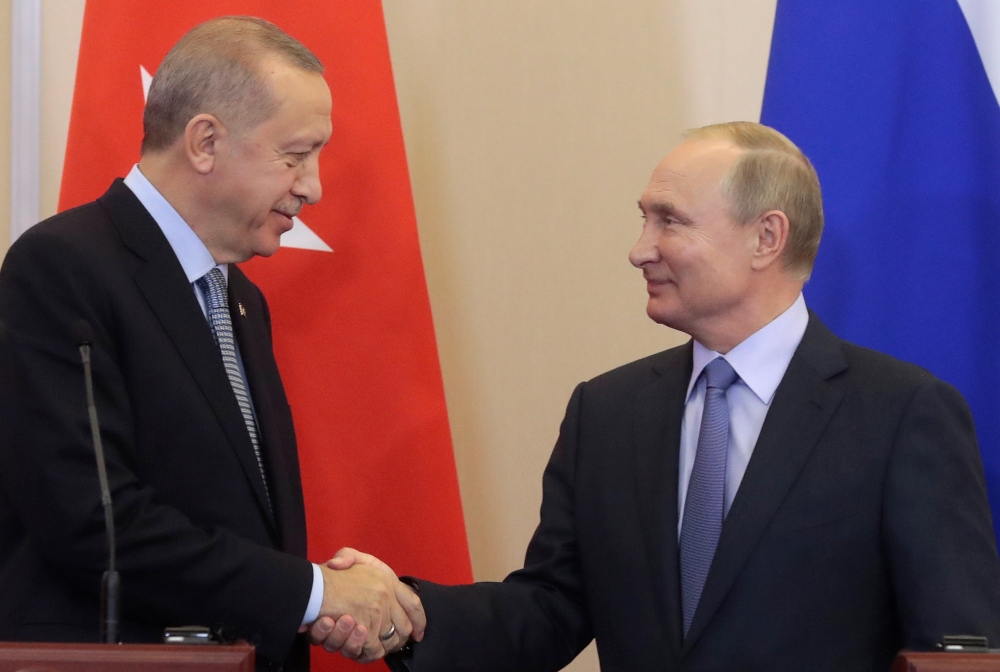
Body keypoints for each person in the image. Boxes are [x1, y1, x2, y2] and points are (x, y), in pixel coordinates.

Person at [336, 122, 1000, 671]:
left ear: (766, 238)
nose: (639, 250)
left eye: (669, 222)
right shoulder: (607, 412)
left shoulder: (901, 412)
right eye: (643, 220)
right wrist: (408, 615)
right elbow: (550, 610)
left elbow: (956, 646)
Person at [0, 17, 422, 671]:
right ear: (204, 142)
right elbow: (95, 522)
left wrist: (313, 602)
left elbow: (235, 524)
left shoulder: (242, 300)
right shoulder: (62, 266)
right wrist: (312, 593)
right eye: (295, 154)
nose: (313, 186)